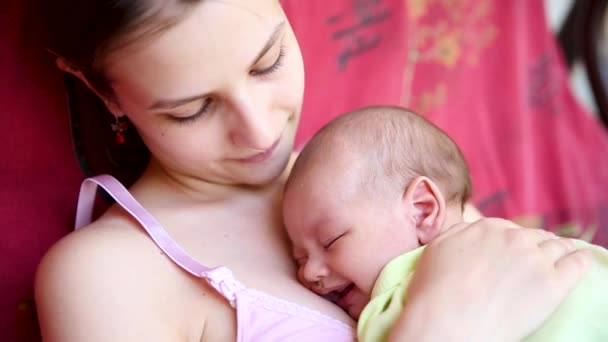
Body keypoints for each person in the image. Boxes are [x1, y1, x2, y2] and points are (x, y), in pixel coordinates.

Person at [34, 1, 592, 341]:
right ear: (100, 89)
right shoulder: (106, 277)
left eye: (268, 61)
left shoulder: (372, 174)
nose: (260, 133)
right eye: (191, 110)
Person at [283, 105, 608, 342]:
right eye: (299, 258)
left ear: (423, 211)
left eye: (330, 240)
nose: (308, 273)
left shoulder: (401, 293)